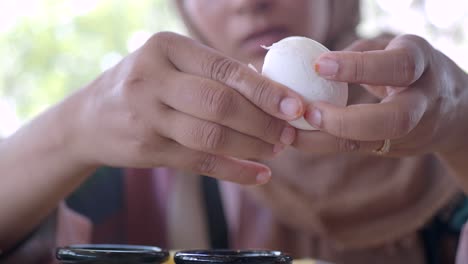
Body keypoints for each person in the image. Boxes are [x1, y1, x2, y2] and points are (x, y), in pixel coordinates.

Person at [0, 0, 467, 263]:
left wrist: (463, 133)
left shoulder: (431, 122)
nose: (249, 2)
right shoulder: (140, 150)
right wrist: (69, 130)